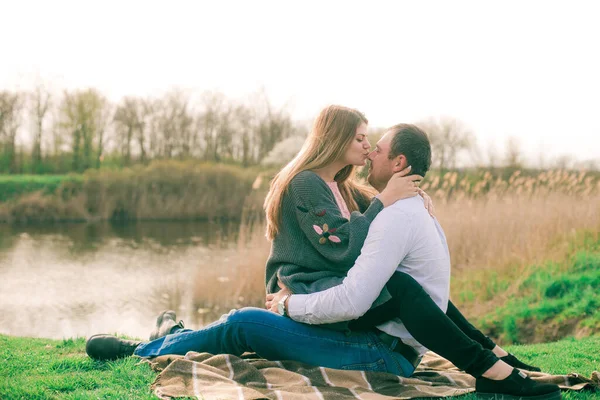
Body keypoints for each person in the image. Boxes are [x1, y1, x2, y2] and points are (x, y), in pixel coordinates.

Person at [86, 107, 560, 400]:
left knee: (245, 324)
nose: (367, 147)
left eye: (372, 143)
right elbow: (340, 244)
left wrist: (388, 202)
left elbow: (409, 293)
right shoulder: (311, 184)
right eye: (360, 138)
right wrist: (387, 203)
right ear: (335, 139)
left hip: (343, 317)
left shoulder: (350, 191)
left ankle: (158, 340)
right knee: (244, 324)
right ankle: (155, 344)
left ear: (397, 164)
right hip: (312, 291)